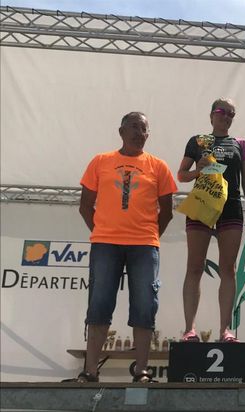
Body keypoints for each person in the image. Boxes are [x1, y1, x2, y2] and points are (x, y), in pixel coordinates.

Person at [77, 112, 177, 383]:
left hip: (144, 245)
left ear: (148, 135)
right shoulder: (100, 161)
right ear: (120, 131)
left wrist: (150, 235)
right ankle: (90, 371)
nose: (138, 133)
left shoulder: (158, 166)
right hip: (105, 243)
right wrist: (102, 231)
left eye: (143, 129)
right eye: (133, 127)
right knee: (99, 303)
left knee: (145, 304)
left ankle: (141, 371)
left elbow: (167, 211)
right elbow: (85, 205)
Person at [178, 98, 245, 343]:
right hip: (201, 203)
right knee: (194, 266)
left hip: (230, 207)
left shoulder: (240, 144)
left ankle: (225, 330)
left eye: (231, 114)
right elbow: (181, 175)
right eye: (222, 111)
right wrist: (198, 170)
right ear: (211, 114)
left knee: (228, 269)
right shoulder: (197, 141)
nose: (226, 117)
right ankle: (189, 329)